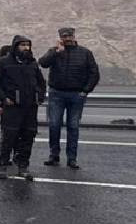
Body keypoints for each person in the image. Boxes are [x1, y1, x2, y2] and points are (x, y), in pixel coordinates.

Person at [38, 26, 100, 168]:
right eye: (64, 36)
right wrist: (56, 52)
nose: (67, 39)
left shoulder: (85, 53)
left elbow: (94, 73)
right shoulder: (54, 51)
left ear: (74, 36)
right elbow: (43, 63)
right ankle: (54, 155)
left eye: (69, 36)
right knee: (54, 125)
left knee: (73, 126)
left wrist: (85, 91)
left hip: (76, 94)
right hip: (56, 93)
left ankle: (72, 158)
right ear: (60, 38)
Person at [0, 35, 47, 180]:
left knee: (28, 136)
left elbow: (41, 82)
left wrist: (39, 97)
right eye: (22, 45)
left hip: (30, 107)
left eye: (28, 45)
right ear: (16, 46)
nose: (26, 48)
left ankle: (23, 166)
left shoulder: (32, 63)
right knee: (9, 136)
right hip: (12, 107)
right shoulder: (3, 62)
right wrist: (3, 98)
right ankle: (2, 165)